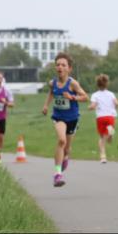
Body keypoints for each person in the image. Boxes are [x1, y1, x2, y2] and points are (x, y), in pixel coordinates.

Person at [41, 52, 89, 187]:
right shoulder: (53, 83)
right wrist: (46, 105)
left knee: (67, 148)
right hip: (58, 117)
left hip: (72, 118)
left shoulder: (73, 84)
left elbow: (85, 97)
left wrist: (72, 97)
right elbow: (51, 93)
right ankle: (57, 175)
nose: (60, 67)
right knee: (61, 140)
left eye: (63, 65)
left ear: (69, 68)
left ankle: (65, 156)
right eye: (58, 65)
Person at [89, 74, 118, 164]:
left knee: (102, 137)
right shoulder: (111, 94)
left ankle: (103, 156)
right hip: (110, 117)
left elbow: (93, 106)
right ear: (107, 84)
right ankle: (110, 135)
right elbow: (117, 103)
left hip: (101, 118)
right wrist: (114, 108)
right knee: (110, 131)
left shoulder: (95, 95)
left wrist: (90, 107)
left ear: (97, 84)